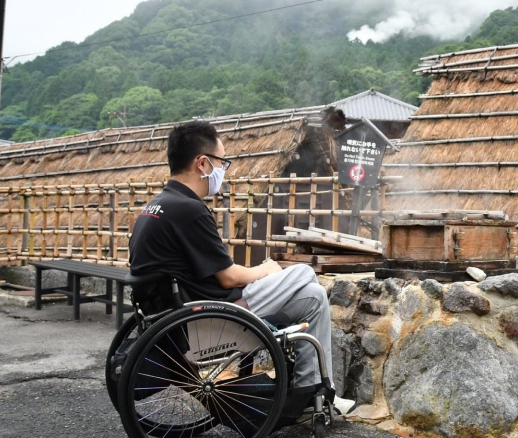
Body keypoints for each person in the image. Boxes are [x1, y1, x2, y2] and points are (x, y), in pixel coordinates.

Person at [128, 120, 355, 416]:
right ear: (203, 163)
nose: (225, 169)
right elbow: (228, 277)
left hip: (177, 317)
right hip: (211, 320)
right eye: (223, 162)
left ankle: (314, 394)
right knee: (303, 273)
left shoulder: (157, 206)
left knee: (313, 296)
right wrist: (267, 270)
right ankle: (315, 393)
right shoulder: (189, 209)